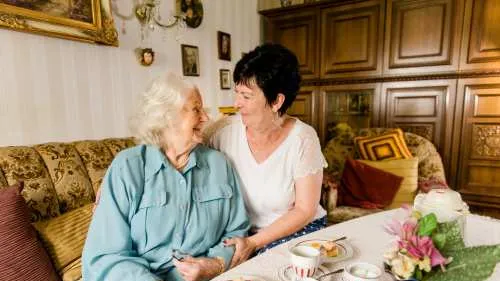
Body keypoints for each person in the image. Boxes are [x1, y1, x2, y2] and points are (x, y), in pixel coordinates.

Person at [83, 73, 250, 281]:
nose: (206, 118)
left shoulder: (219, 165)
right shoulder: (128, 167)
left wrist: (216, 263)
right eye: (196, 109)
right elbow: (106, 256)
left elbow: (237, 229)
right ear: (168, 117)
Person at [206, 43, 328, 267]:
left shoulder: (303, 139)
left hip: (298, 230)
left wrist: (253, 243)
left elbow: (304, 209)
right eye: (237, 93)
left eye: (246, 96)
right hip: (243, 232)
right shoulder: (222, 133)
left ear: (276, 101)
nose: (236, 104)